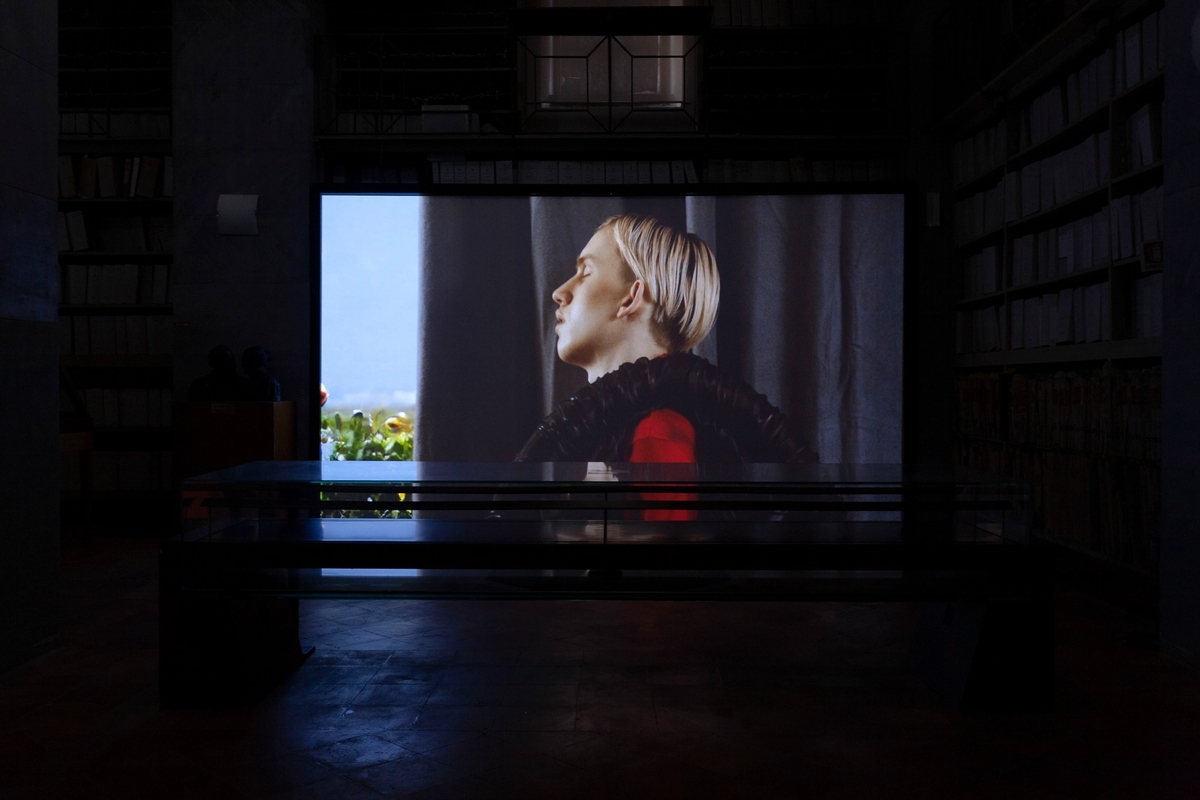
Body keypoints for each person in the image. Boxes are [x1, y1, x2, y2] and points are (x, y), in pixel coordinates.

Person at [518, 213, 813, 481]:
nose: (559, 293)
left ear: (630, 298)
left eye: (586, 272)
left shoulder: (656, 433)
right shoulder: (617, 430)